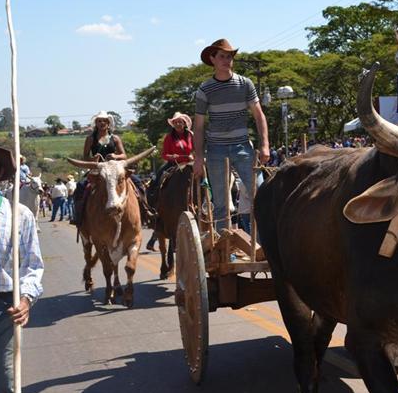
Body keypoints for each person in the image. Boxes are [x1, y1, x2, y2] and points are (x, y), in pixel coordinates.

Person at [0, 144, 44, 393]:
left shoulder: (18, 214)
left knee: (7, 386)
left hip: (4, 309)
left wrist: (25, 299)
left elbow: (33, 265)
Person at [192, 39, 270, 231]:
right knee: (221, 205)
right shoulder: (205, 89)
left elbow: (259, 115)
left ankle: (263, 243)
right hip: (216, 149)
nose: (226, 60)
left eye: (229, 57)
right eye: (222, 56)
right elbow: (199, 126)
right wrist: (198, 157)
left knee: (260, 196)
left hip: (242, 146)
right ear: (212, 59)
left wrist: (265, 145)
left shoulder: (245, 84)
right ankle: (224, 245)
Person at [72, 111, 153, 227]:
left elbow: (124, 155)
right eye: (99, 121)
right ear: (96, 123)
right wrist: (93, 158)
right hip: (98, 170)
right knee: (80, 186)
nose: (102, 123)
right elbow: (85, 157)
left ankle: (145, 211)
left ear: (108, 123)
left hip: (115, 169)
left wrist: (115, 156)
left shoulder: (115, 138)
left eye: (104, 121)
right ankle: (78, 217)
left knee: (138, 183)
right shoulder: (90, 139)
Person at [145, 112, 194, 251]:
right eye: (175, 122)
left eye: (180, 122)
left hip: (190, 164)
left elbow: (197, 149)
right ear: (173, 124)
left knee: (205, 176)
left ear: (185, 123)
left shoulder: (191, 135)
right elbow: (164, 154)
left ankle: (207, 203)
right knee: (156, 180)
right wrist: (172, 157)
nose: (178, 124)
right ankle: (154, 205)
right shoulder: (169, 137)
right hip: (173, 164)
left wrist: (193, 155)